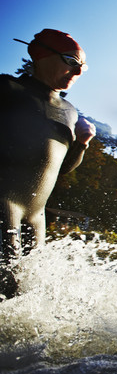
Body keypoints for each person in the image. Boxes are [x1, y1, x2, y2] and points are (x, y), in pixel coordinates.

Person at [0, 29, 96, 299]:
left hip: (36, 217)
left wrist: (82, 143)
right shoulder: (7, 89)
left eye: (82, 67)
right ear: (41, 55)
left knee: (24, 299)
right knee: (5, 288)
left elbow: (62, 168)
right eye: (71, 61)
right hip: (3, 205)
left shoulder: (70, 112)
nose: (77, 73)